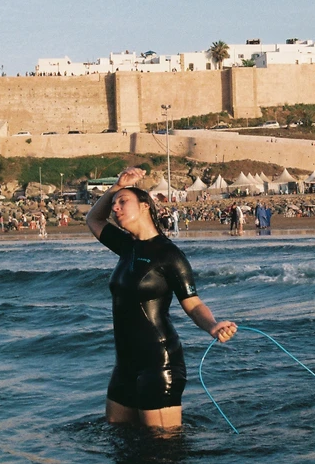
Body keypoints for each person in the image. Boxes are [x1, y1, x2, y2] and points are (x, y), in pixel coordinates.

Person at [86, 167, 237, 429]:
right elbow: (93, 219)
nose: (115, 208)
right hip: (124, 365)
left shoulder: (169, 255)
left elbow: (193, 303)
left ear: (145, 206)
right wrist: (117, 187)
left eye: (123, 202)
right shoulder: (126, 247)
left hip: (159, 364)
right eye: (114, 204)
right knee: (119, 437)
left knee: (162, 447)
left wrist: (212, 326)